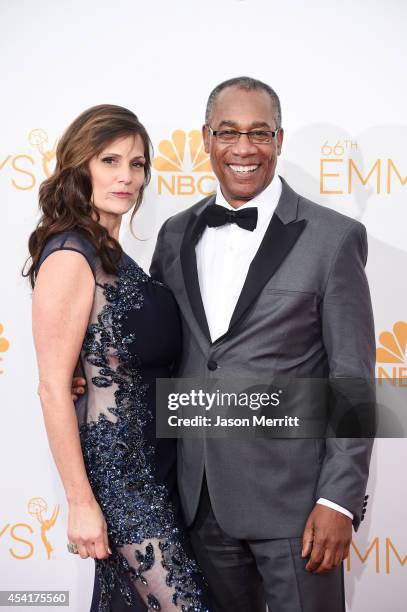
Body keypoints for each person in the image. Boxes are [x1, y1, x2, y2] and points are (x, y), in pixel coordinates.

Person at [147, 77, 375, 611]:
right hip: (198, 497)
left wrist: (337, 499)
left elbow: (353, 380)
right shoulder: (176, 233)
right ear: (206, 138)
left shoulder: (332, 237)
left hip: (297, 506)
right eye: (228, 132)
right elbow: (162, 348)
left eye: (260, 133)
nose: (244, 149)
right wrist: (92, 366)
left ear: (280, 138)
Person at [26, 104, 210, 612]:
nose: (126, 177)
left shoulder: (115, 254)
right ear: (79, 166)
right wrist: (81, 503)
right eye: (110, 161)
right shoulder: (70, 255)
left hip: (162, 467)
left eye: (137, 164)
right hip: (122, 481)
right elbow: (51, 388)